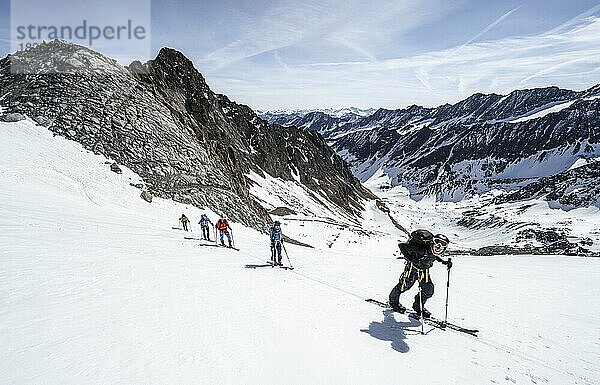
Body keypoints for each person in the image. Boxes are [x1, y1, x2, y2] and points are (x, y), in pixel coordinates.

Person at [388, 230, 452, 318]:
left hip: (424, 271)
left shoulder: (432, 251)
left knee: (428, 290)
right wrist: (411, 259)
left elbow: (433, 256)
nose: (438, 247)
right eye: (437, 244)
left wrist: (443, 262)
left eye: (441, 247)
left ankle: (418, 306)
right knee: (404, 286)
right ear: (433, 243)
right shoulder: (421, 250)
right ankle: (393, 302)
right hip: (412, 269)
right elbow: (402, 246)